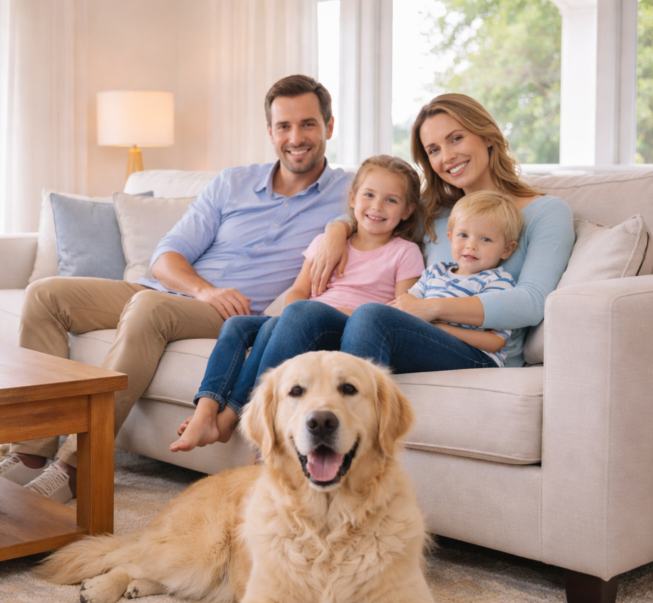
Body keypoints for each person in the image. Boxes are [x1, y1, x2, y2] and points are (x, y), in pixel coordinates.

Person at [0, 74, 354, 503]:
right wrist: (203, 289)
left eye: (308, 124)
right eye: (284, 126)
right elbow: (166, 257)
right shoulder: (233, 182)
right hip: (187, 294)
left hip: (233, 315)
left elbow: (395, 208)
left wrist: (340, 225)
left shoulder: (348, 192)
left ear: (329, 127)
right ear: (270, 132)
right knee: (47, 295)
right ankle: (32, 452)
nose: (296, 137)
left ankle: (78, 464)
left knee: (149, 308)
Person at [241, 93, 574, 387]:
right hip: (419, 335)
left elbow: (532, 302)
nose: (447, 156)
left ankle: (353, 446)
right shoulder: (435, 211)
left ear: (487, 136)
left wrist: (430, 307)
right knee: (303, 313)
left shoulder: (546, 212)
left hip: (478, 351)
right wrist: (337, 230)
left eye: (456, 138)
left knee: (372, 315)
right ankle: (268, 445)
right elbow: (374, 217)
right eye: (433, 150)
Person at [169, 155, 426, 453]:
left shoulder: (405, 253)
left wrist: (311, 312)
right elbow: (299, 290)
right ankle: (206, 410)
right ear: (353, 198)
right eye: (369, 195)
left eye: (391, 200)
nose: (377, 206)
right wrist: (291, 312)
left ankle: (231, 417)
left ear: (408, 210)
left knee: (291, 319)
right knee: (237, 325)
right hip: (301, 318)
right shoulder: (326, 243)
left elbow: (397, 312)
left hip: (341, 326)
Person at [401, 190, 522, 368]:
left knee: (374, 319)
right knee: (367, 316)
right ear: (450, 238)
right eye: (463, 235)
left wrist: (441, 330)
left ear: (507, 249)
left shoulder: (497, 281)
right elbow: (409, 300)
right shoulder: (436, 271)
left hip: (477, 357)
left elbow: (496, 341)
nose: (471, 245)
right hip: (429, 345)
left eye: (485, 239)